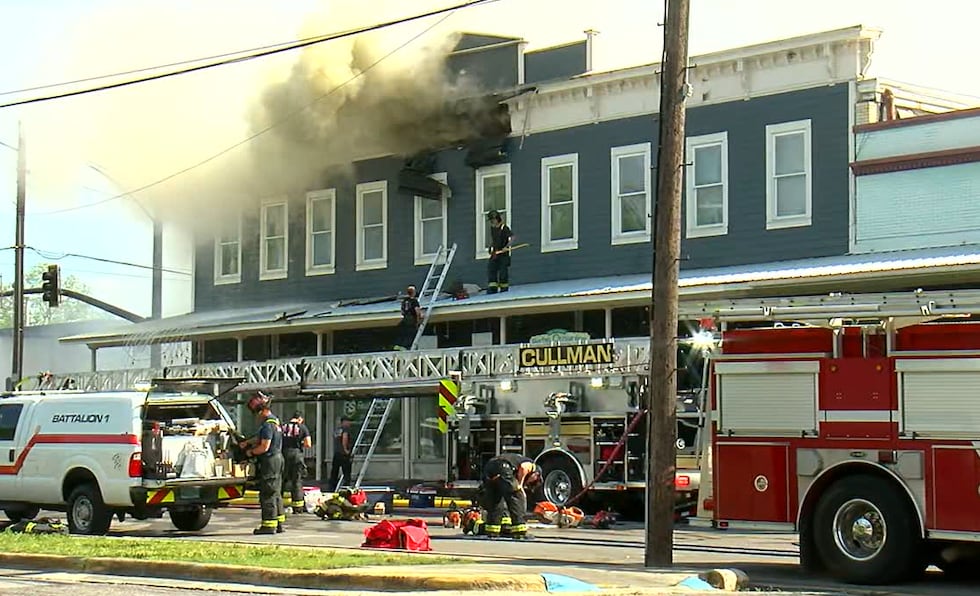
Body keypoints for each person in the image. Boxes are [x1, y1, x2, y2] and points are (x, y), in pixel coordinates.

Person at [239, 392, 285, 535]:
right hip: (278, 459)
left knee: (267, 493)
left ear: (263, 411)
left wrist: (250, 452)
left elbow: (264, 446)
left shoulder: (266, 425)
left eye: (257, 413)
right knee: (276, 492)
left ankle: (268, 525)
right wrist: (247, 442)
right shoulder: (274, 422)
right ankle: (279, 523)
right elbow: (260, 438)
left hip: (270, 460)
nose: (257, 417)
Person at [479, 453, 542, 539]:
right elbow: (524, 467)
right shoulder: (532, 466)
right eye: (532, 482)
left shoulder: (515, 463)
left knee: (496, 498)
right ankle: (519, 530)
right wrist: (520, 484)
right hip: (503, 466)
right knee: (515, 495)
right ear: (536, 474)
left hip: (490, 466)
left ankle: (493, 530)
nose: (529, 483)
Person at [281, 411, 312, 514]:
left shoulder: (282, 426)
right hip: (296, 455)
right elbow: (308, 444)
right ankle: (297, 507)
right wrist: (300, 443)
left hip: (283, 455)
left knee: (282, 480)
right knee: (296, 481)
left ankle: (278, 504)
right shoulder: (302, 427)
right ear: (300, 419)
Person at [486, 210, 513, 294]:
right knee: (491, 269)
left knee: (503, 272)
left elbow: (512, 237)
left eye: (493, 220)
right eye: (491, 220)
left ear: (497, 219)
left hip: (503, 254)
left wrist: (507, 247)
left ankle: (504, 289)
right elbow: (494, 240)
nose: (492, 221)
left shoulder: (504, 227)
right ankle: (493, 288)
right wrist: (490, 247)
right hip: (495, 253)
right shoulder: (492, 228)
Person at [394, 285, 422, 350]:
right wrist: (418, 321)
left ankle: (399, 345)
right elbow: (417, 311)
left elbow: (402, 312)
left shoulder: (404, 301)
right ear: (414, 292)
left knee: (404, 332)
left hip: (405, 319)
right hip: (411, 319)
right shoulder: (414, 301)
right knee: (411, 333)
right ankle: (407, 347)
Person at [329, 416, 353, 490]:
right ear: (344, 422)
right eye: (348, 421)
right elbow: (344, 438)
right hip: (344, 454)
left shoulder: (337, 430)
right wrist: (346, 449)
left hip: (337, 453)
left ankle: (332, 487)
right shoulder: (345, 429)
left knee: (334, 471)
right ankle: (346, 487)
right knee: (346, 471)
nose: (349, 423)